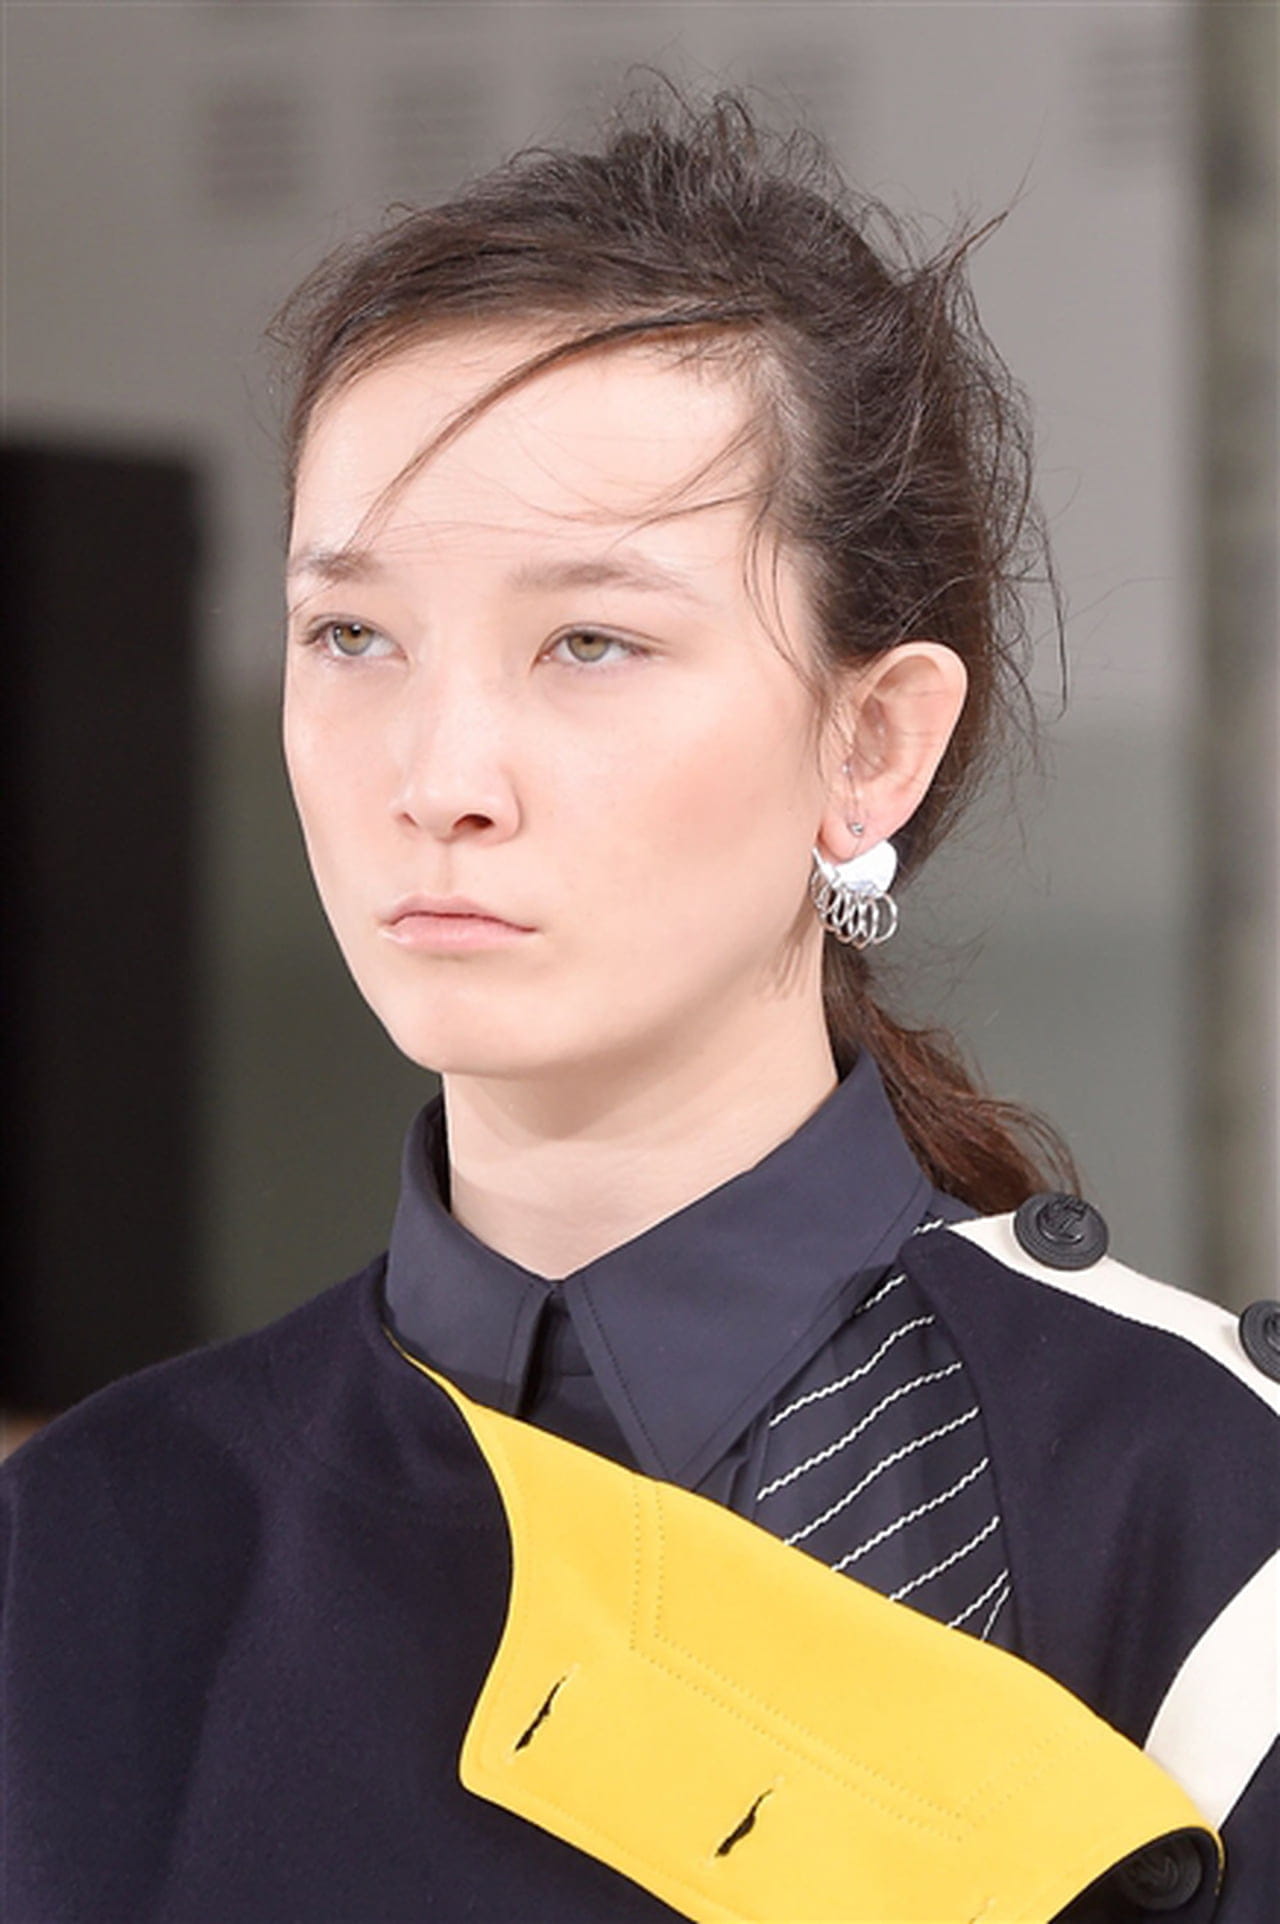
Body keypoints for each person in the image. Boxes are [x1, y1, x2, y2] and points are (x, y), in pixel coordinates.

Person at [2, 80, 1276, 1924]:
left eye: (590, 641)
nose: (438, 776)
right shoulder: (95, 1537)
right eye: (352, 635)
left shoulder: (1209, 1516)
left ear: (871, 742)